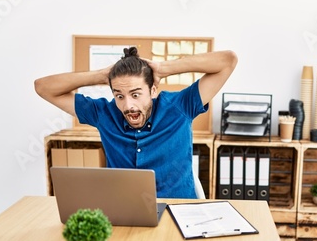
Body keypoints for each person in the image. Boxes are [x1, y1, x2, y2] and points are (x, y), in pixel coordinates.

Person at [35, 47, 237, 198]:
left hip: (178, 211)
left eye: (135, 94)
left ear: (153, 90)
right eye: (119, 96)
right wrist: (100, 76)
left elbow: (228, 61)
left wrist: (163, 68)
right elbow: (43, 87)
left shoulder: (179, 107)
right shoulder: (104, 114)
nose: (128, 105)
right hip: (125, 213)